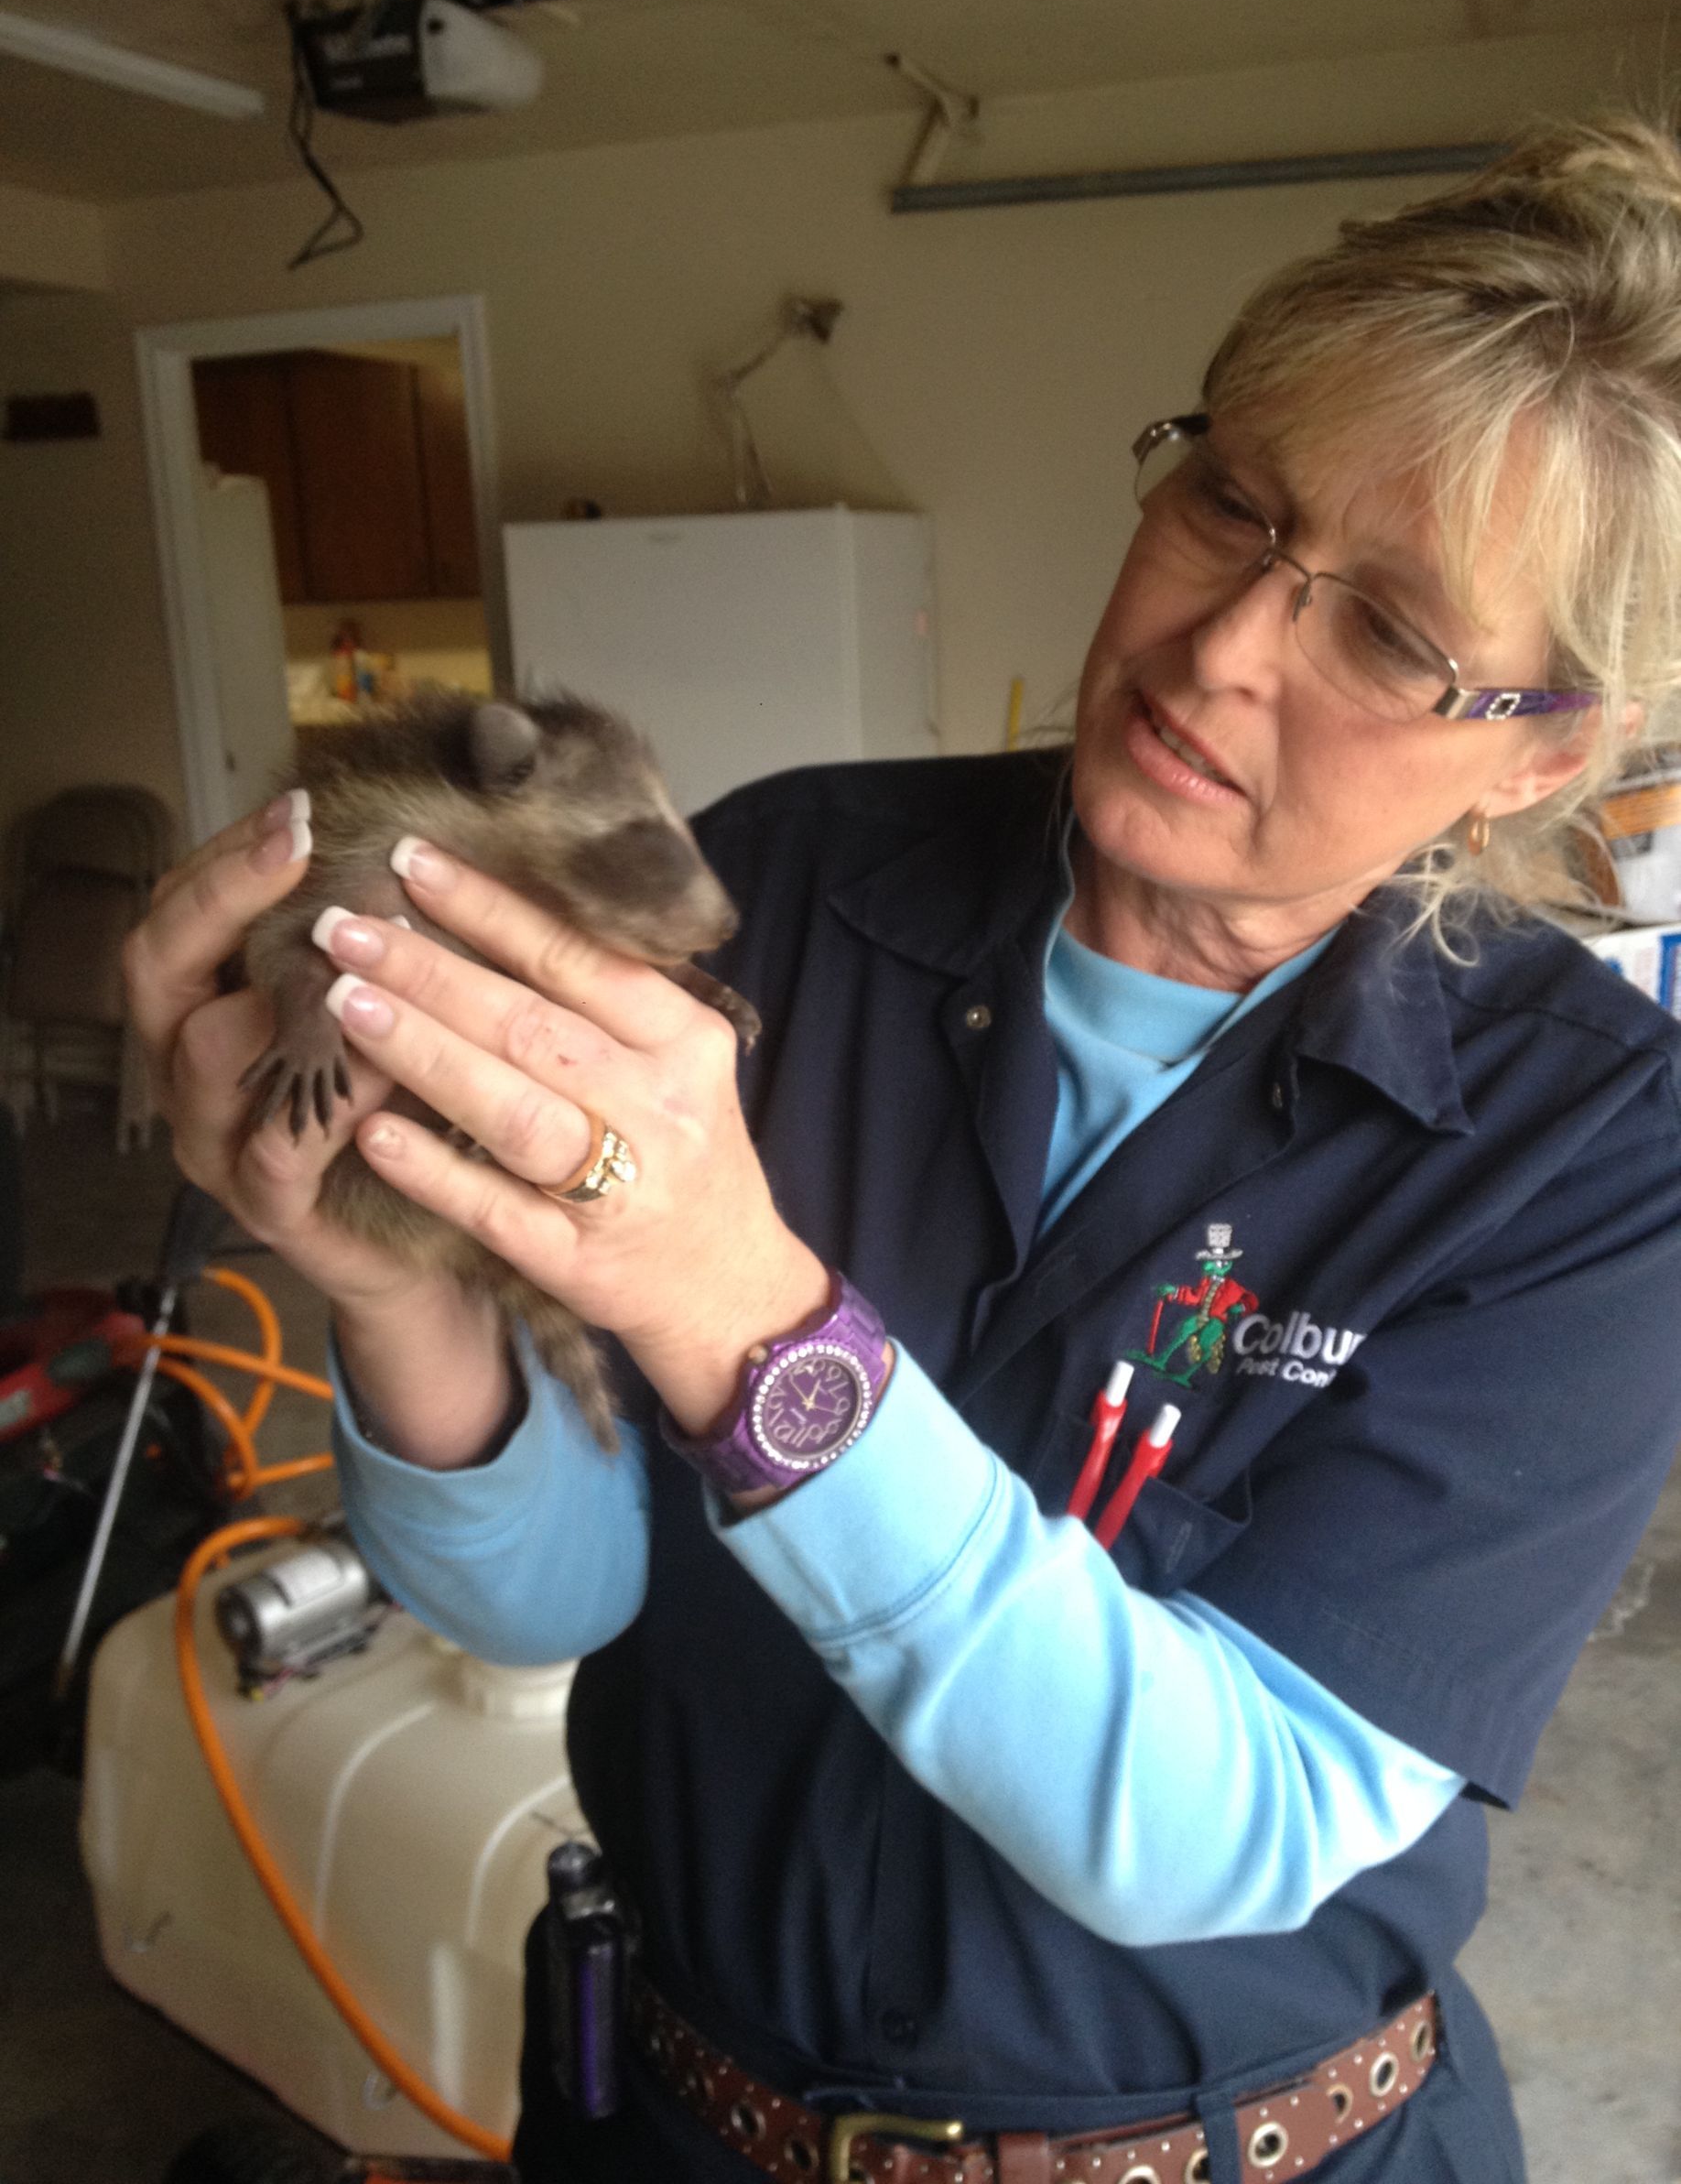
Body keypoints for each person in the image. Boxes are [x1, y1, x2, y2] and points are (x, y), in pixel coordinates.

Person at [126, 114, 1681, 2184]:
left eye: (1391, 632)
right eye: (1232, 501)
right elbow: (553, 1594)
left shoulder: (1589, 1155)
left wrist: (738, 1310)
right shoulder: (776, 881)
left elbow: (1211, 1822)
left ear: (1548, 747)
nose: (1228, 647)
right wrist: (395, 1269)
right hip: (678, 2120)